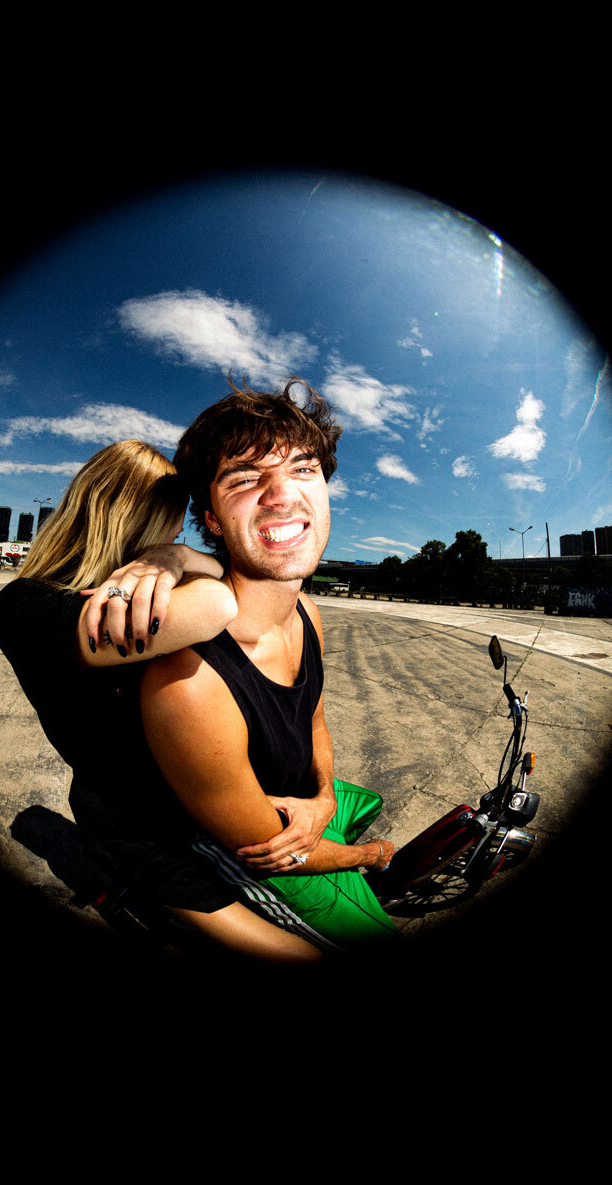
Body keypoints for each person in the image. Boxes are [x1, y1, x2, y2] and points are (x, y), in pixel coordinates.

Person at [0, 439, 323, 964]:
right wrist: (171, 563)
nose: (173, 537)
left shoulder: (147, 581)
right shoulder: (25, 608)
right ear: (126, 519)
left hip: (196, 803)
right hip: (143, 830)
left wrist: (172, 557)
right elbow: (217, 602)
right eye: (165, 527)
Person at [139, 378, 399, 953]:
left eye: (303, 469)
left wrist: (324, 799)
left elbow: (315, 720)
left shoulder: (307, 610)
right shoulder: (187, 682)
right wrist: (371, 856)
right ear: (209, 518)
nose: (282, 495)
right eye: (246, 477)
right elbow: (267, 847)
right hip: (255, 853)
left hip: (302, 807)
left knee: (365, 803)